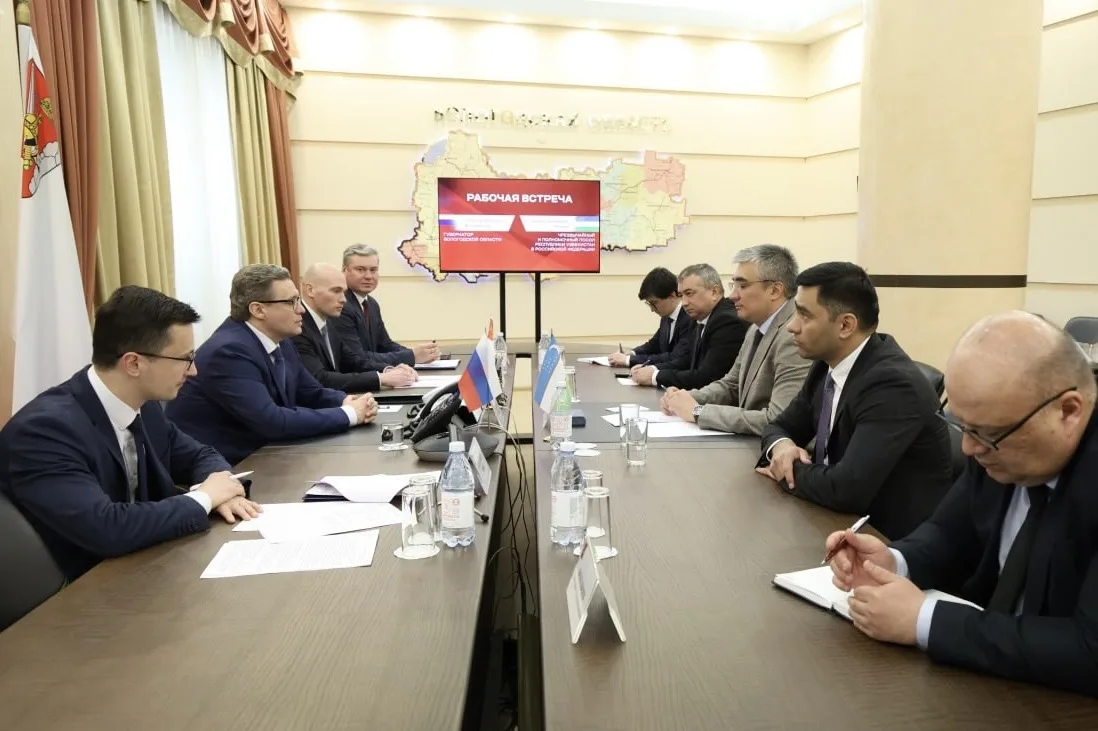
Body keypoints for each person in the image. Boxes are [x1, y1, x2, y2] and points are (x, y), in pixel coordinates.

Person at [828, 311, 1098, 698]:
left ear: (1068, 411)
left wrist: (925, 620)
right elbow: (950, 533)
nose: (969, 448)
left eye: (985, 434)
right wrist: (894, 562)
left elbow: (1089, 648)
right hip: (987, 687)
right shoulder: (1000, 440)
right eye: (964, 426)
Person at [0, 286, 261, 581]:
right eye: (185, 359)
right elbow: (106, 529)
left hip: (145, 567)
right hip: (77, 590)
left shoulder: (143, 405)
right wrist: (204, 498)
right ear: (134, 363)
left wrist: (222, 494)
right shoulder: (44, 432)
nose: (193, 371)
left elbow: (200, 455)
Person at [757, 262, 951, 540]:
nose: (791, 326)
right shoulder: (827, 364)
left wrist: (786, 471)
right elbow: (780, 426)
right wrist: (783, 447)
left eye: (804, 315)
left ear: (846, 325)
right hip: (831, 520)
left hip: (886, 541)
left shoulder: (893, 385)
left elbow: (847, 489)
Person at [166, 264, 378, 465]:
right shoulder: (229, 351)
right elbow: (271, 421)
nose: (301, 310)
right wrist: (349, 414)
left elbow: (309, 391)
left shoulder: (281, 340)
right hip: (226, 466)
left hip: (267, 455)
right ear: (258, 310)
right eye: (291, 302)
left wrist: (347, 400)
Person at [660, 245, 810, 435]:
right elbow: (731, 384)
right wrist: (684, 398)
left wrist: (698, 412)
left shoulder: (794, 335)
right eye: (734, 285)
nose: (732, 296)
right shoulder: (755, 327)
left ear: (774, 290)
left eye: (743, 286)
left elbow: (777, 419)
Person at [293, 263, 418, 393]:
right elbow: (319, 379)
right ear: (310, 290)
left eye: (344, 292)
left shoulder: (327, 321)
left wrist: (388, 370)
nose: (343, 299)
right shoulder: (297, 327)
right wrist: (380, 378)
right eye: (336, 291)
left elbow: (352, 361)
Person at [630, 263, 748, 390]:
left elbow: (707, 377)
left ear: (714, 292)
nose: (684, 303)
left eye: (689, 293)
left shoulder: (727, 321)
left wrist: (655, 376)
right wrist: (652, 369)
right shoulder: (698, 318)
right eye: (681, 295)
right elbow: (686, 360)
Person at [336, 244, 440, 366]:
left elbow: (385, 345)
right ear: (344, 270)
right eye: (360, 269)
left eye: (373, 270)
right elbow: (358, 358)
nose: (368, 276)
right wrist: (411, 356)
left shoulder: (371, 304)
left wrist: (420, 353)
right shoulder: (340, 305)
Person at [608, 266, 694, 368]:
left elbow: (675, 357)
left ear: (672, 296)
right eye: (649, 304)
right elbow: (654, 344)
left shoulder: (690, 318)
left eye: (654, 303)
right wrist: (631, 353)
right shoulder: (666, 316)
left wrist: (628, 360)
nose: (652, 309)